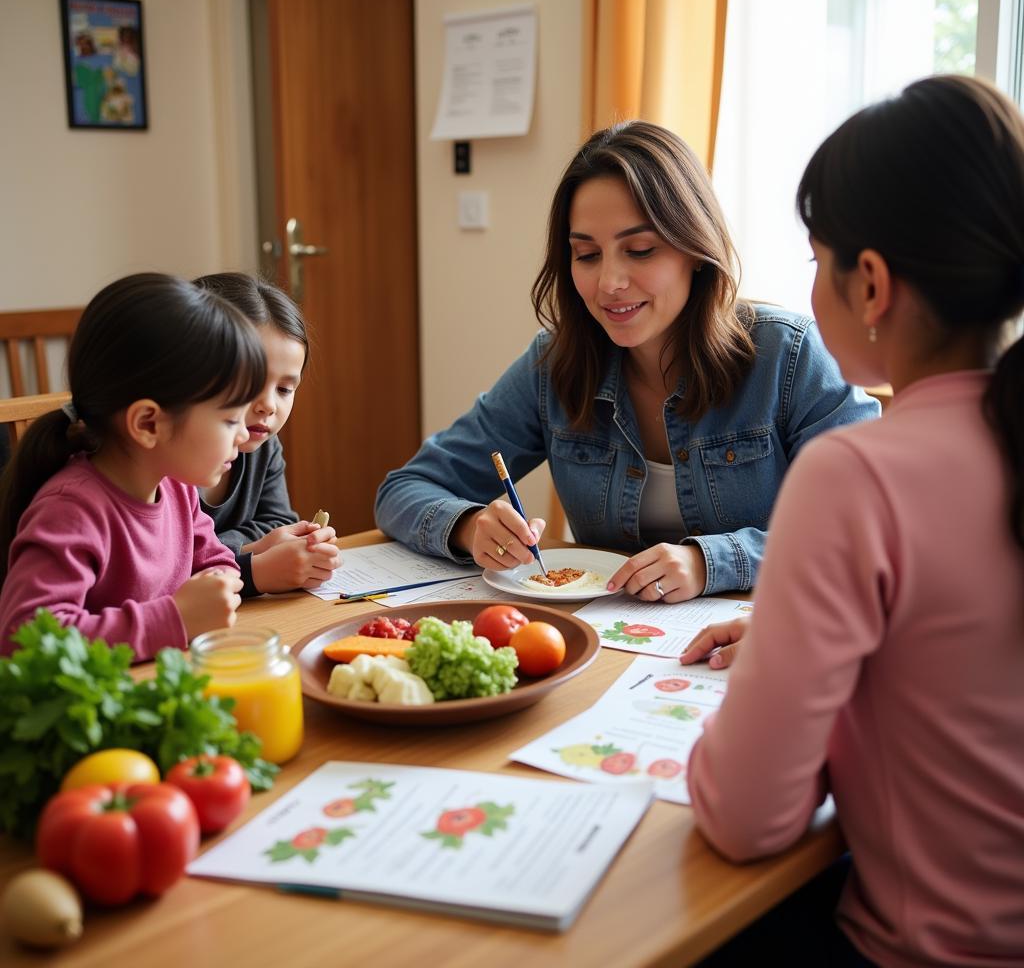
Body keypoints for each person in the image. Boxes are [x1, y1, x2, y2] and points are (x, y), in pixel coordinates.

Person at [682, 75, 1024, 966]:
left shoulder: (859, 474)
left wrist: (786, 682)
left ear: (870, 282)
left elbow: (747, 818)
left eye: (814, 257)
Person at [375, 121, 878, 599]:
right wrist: (468, 526)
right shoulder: (554, 365)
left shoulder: (789, 358)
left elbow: (867, 525)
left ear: (695, 251)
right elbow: (402, 489)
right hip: (611, 647)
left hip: (755, 643)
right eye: (587, 255)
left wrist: (712, 563)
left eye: (639, 250)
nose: (609, 283)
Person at [0, 273, 266, 662]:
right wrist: (174, 617)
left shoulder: (176, 488)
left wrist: (222, 580)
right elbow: (24, 641)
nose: (244, 436)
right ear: (148, 423)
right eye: (230, 420)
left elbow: (212, 555)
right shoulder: (70, 511)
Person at [194, 273, 341, 595]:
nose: (268, 406)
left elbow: (277, 522)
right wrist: (251, 555)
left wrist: (263, 546)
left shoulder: (262, 443)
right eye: (250, 383)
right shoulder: (170, 456)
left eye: (285, 388)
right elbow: (171, 562)